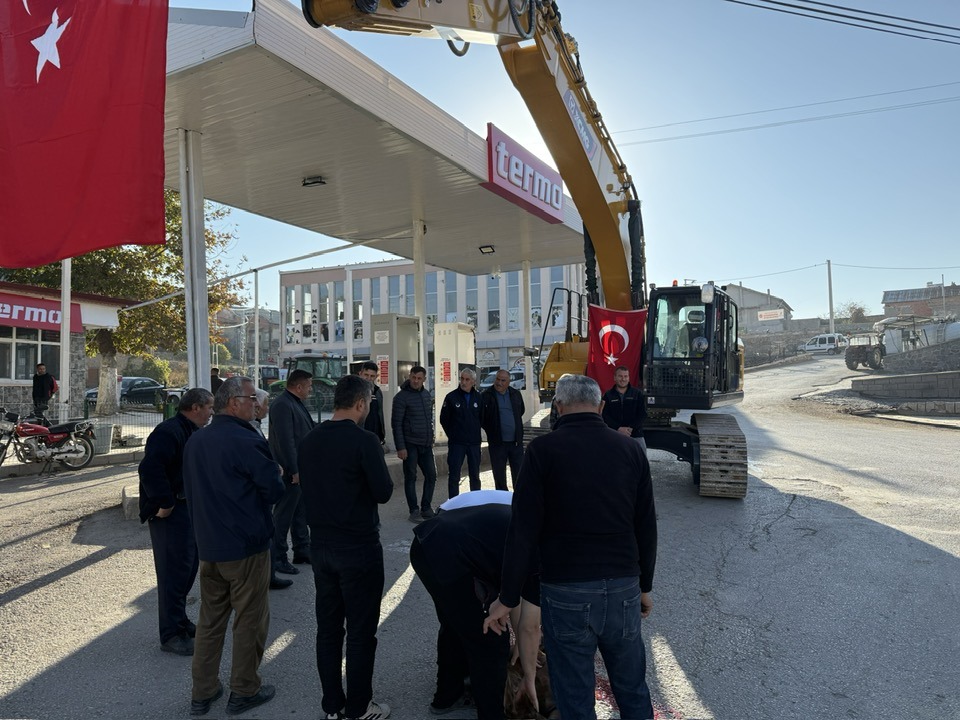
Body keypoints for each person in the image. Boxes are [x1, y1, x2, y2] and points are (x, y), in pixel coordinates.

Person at [484, 374, 657, 720]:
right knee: (632, 689)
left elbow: (522, 531)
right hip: (623, 585)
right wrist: (646, 587)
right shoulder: (628, 450)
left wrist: (507, 598)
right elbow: (646, 525)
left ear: (557, 408)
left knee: (575, 697)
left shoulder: (541, 452)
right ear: (601, 406)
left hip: (566, 591)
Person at [183, 376, 285, 717]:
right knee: (250, 621)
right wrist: (278, 473)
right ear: (233, 403)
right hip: (245, 548)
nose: (256, 403)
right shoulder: (246, 440)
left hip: (209, 546)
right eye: (251, 397)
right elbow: (274, 490)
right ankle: (244, 689)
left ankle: (203, 692)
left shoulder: (197, 440)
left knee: (210, 622)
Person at [298, 375, 394, 720]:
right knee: (361, 632)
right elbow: (383, 492)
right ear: (360, 404)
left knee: (328, 630)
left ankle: (332, 705)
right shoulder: (364, 441)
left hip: (321, 547)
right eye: (368, 403)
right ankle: (359, 707)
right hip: (358, 547)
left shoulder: (309, 440)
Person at [410, 501, 541, 720]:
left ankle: (447, 697)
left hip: (428, 544)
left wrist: (520, 641)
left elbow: (514, 596)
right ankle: (492, 714)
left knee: (457, 624)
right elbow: (530, 626)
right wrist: (529, 677)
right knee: (490, 637)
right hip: (447, 553)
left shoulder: (533, 523)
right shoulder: (543, 552)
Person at [138, 387, 215, 656]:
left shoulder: (191, 430)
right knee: (172, 573)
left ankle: (180, 621)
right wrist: (165, 503)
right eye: (209, 407)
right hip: (172, 513)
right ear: (195, 407)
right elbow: (150, 469)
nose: (211, 413)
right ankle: (170, 634)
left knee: (186, 569)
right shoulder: (169, 431)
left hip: (187, 509)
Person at [268, 369, 315, 575]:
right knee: (283, 515)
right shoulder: (282, 405)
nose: (311, 390)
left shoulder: (294, 403)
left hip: (301, 468)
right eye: (309, 386)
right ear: (299, 386)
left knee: (300, 512)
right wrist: (294, 469)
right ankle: (278, 557)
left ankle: (302, 550)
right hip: (289, 471)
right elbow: (285, 440)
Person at [250, 389, 293, 591]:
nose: (267, 408)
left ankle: (270, 573)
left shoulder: (255, 427)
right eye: (265, 404)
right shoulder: (248, 430)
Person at [391, 365, 437, 523]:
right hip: (409, 444)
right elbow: (396, 424)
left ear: (424, 379)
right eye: (413, 377)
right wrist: (401, 447)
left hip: (425, 444)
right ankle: (414, 510)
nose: (416, 381)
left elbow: (429, 420)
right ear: (409, 377)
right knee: (411, 477)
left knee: (431, 475)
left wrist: (430, 438)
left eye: (419, 378)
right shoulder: (401, 397)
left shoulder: (426, 395)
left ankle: (426, 507)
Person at [439, 367, 482, 498]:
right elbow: (444, 419)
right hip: (457, 443)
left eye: (467, 379)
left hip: (474, 443)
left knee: (475, 475)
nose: (463, 382)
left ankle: (475, 502)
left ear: (473, 381)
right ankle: (453, 504)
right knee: (454, 476)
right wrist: (453, 434)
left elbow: (482, 418)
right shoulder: (451, 397)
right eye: (462, 379)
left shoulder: (479, 398)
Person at [480, 369, 525, 491]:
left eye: (503, 380)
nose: (499, 383)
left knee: (519, 475)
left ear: (509, 382)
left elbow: (521, 411)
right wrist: (492, 430)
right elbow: (482, 418)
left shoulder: (516, 394)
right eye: (497, 379)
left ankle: (518, 502)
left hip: (516, 443)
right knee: (499, 476)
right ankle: (503, 503)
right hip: (497, 443)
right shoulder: (486, 395)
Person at [601, 365, 647, 453]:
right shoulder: (608, 395)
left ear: (629, 378)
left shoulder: (637, 394)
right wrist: (618, 428)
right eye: (620, 376)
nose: (623, 379)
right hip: (614, 433)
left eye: (625, 376)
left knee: (641, 458)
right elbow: (604, 415)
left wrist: (630, 428)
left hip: (635, 434)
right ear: (615, 377)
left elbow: (642, 414)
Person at [358, 361, 385, 445]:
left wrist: (382, 434)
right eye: (366, 375)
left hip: (375, 436)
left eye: (372, 376)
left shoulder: (378, 392)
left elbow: (380, 413)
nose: (369, 378)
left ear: (376, 377)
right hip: (360, 435)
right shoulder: (353, 391)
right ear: (360, 374)